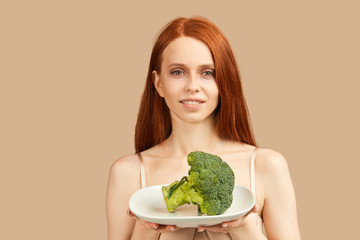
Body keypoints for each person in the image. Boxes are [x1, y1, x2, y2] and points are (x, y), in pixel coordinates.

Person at [106, 16, 301, 240]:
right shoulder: (127, 173)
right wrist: (144, 228)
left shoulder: (267, 166)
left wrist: (242, 228)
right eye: (178, 72)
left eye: (207, 73)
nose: (192, 86)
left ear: (224, 81)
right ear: (158, 83)